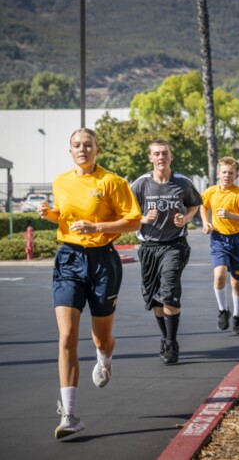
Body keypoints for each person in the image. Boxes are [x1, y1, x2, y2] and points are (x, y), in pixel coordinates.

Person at [38, 128, 141, 439]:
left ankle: (105, 356)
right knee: (67, 334)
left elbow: (134, 221)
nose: (82, 150)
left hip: (102, 261)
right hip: (68, 259)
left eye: (87, 145)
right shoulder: (61, 181)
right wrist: (51, 215)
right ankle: (69, 415)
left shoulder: (113, 182)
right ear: (70, 151)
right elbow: (66, 218)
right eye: (76, 146)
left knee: (101, 339)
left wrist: (96, 225)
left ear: (97, 150)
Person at [131, 139, 202, 365]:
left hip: (175, 245)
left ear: (171, 157)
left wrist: (186, 218)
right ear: (150, 157)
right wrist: (143, 219)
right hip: (149, 247)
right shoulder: (140, 184)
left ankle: (171, 344)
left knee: (169, 291)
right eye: (157, 154)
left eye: (165, 153)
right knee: (155, 300)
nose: (161, 157)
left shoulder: (182, 182)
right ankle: (165, 337)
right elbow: (126, 213)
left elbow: (194, 205)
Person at [200, 156, 239, 335]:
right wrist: (205, 222)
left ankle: (237, 316)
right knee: (219, 275)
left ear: (236, 175)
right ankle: (223, 310)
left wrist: (231, 215)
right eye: (224, 172)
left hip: (238, 239)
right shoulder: (210, 192)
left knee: (237, 283)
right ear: (218, 173)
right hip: (218, 238)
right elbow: (203, 205)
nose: (227, 175)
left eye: (231, 173)